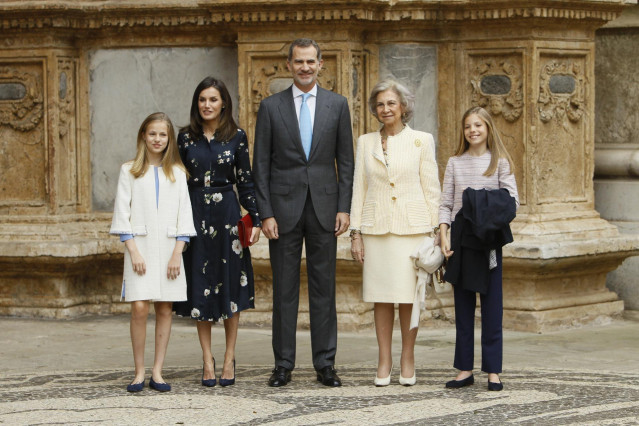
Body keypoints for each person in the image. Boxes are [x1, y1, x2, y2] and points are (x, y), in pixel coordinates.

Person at [252, 38, 354, 387]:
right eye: (299, 62)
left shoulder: (337, 106)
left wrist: (344, 207)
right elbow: (260, 166)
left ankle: (325, 364)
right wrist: (264, 213)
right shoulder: (271, 107)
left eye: (311, 62)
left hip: (326, 210)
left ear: (321, 64)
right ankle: (283, 364)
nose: (305, 67)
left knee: (324, 289)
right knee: (284, 290)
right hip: (282, 212)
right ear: (289, 65)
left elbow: (347, 162)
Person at [349, 79, 441, 387]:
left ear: (403, 107)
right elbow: (358, 189)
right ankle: (384, 358)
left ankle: (408, 358)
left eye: (391, 103)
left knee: (409, 298)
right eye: (380, 104)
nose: (385, 109)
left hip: (413, 230)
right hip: (376, 229)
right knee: (382, 298)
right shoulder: (365, 142)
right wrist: (355, 233)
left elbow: (432, 188)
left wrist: (437, 231)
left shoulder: (421, 140)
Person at [173, 77, 261, 388]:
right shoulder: (185, 138)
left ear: (224, 102)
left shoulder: (236, 137)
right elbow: (177, 183)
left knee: (230, 289)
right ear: (197, 104)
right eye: (202, 100)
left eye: (213, 99)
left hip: (227, 216)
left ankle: (229, 357)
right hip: (194, 213)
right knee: (200, 286)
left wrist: (257, 220)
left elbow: (246, 181)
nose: (207, 105)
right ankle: (207, 357)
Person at [110, 112, 197, 392]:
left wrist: (177, 253)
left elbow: (185, 215)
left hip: (171, 249)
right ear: (143, 136)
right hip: (140, 248)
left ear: (169, 139)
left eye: (163, 134)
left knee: (165, 308)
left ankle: (158, 371)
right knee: (138, 307)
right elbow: (122, 213)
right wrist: (133, 251)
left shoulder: (179, 173)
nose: (157, 139)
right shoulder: (129, 171)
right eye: (152, 134)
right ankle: (138, 371)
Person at [439, 106, 519, 392]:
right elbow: (446, 203)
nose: (473, 130)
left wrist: (481, 206)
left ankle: (493, 371)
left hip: (488, 242)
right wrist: (443, 234)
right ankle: (464, 369)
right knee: (462, 307)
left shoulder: (499, 162)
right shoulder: (455, 162)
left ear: (487, 129)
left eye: (478, 125)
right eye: (467, 126)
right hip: (461, 240)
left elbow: (513, 201)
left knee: (492, 306)